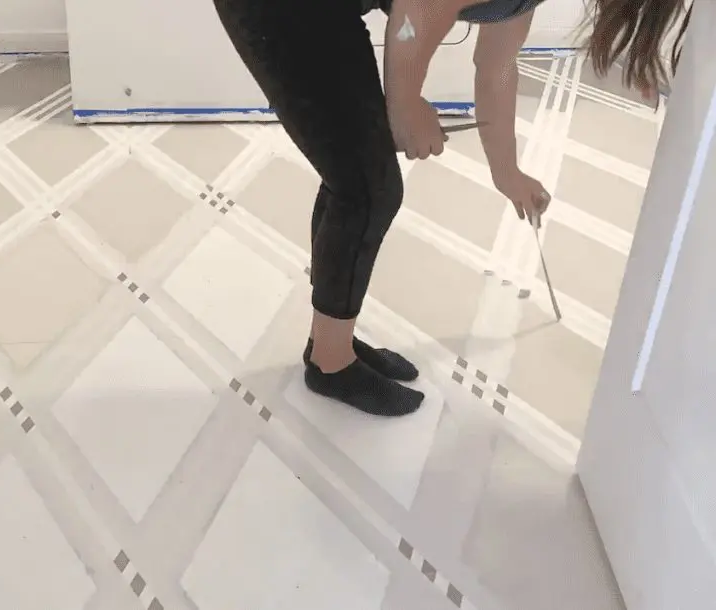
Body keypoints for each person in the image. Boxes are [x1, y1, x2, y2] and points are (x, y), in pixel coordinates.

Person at [212, 0, 691, 417]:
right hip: (278, 6)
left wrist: (509, 173)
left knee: (356, 177)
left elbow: (496, 66)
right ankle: (329, 366)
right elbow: (415, 13)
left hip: (326, 10)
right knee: (367, 190)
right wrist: (405, 106)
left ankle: (328, 341)